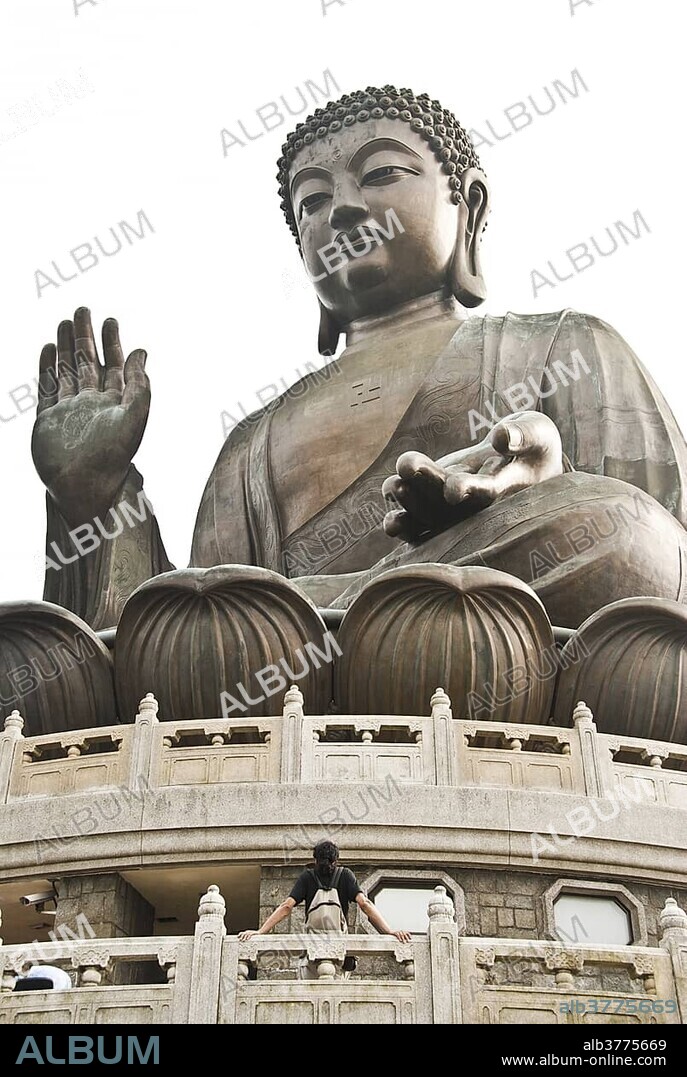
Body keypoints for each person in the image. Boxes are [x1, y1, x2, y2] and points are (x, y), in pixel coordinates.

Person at [30, 85, 687, 633]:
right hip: (290, 681)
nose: (343, 208)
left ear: (469, 204)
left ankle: (338, 612)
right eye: (313, 201)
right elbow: (175, 624)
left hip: (510, 652)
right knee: (174, 628)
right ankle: (348, 612)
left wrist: (532, 490)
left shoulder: (567, 345)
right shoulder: (251, 446)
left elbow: (667, 559)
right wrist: (94, 496)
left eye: (381, 174)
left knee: (623, 532)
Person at [238, 840, 411, 980]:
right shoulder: (345, 875)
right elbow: (364, 904)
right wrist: (389, 931)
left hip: (312, 948)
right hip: (338, 950)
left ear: (315, 860)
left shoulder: (307, 877)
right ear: (336, 860)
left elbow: (286, 906)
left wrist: (260, 931)